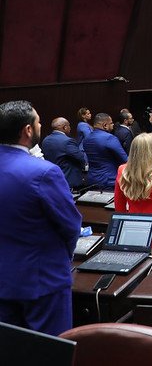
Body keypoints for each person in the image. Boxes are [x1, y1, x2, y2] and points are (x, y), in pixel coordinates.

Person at [0, 100, 82, 336]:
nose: (40, 126)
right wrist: (62, 258)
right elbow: (71, 226)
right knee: (49, 350)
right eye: (38, 122)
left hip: (4, 282)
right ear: (27, 130)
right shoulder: (44, 172)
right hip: (42, 282)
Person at [84, 113, 128, 190]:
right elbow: (125, 159)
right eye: (111, 123)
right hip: (108, 180)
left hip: (91, 179)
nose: (113, 125)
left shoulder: (87, 138)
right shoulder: (109, 138)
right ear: (105, 125)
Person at [41, 117, 87, 189]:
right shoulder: (68, 141)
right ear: (65, 127)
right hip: (68, 181)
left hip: (52, 179)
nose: (70, 128)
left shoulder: (45, 140)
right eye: (69, 126)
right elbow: (80, 157)